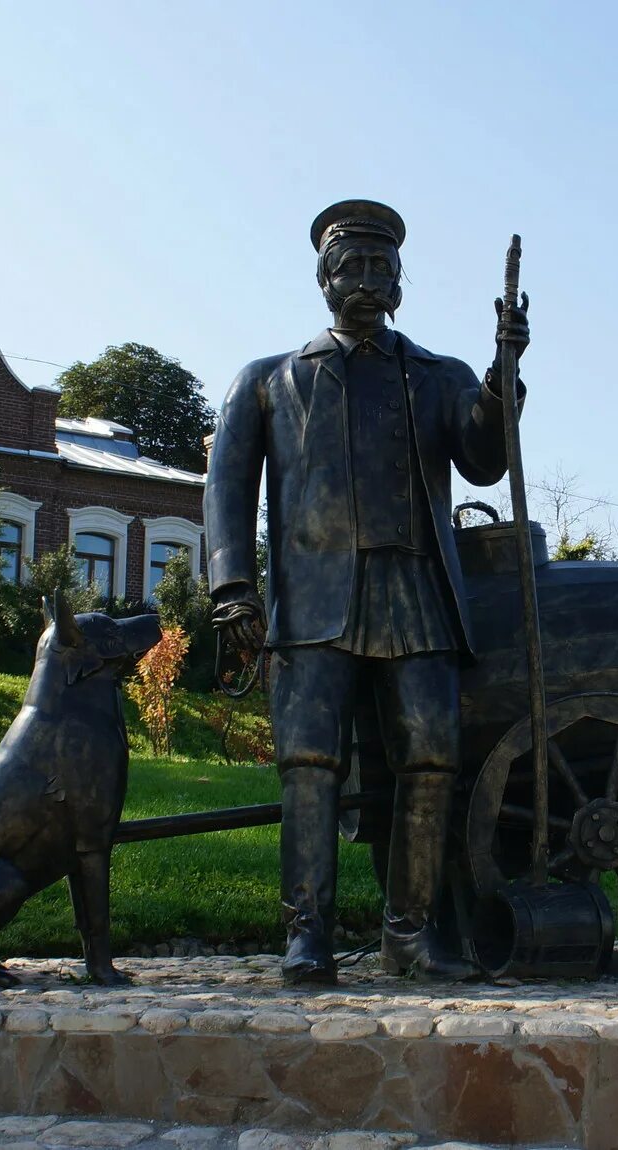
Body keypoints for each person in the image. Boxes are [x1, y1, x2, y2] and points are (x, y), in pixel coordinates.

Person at [204, 199, 528, 984]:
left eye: (383, 267)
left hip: (416, 590)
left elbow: (486, 458)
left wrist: (502, 378)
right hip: (314, 602)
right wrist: (233, 588)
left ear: (399, 283)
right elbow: (225, 490)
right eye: (352, 265)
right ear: (324, 278)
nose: (368, 279)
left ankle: (408, 936)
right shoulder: (269, 381)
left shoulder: (438, 375)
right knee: (309, 763)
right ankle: (306, 935)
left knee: (430, 757)